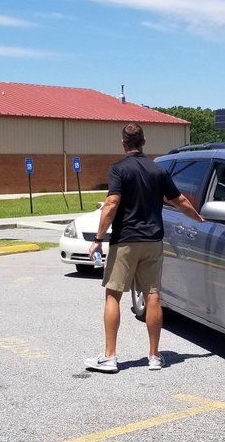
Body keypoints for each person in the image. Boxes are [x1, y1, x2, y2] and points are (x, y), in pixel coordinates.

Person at [84, 124, 203, 373]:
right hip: (153, 241)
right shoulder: (158, 170)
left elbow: (112, 202)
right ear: (144, 141)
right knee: (153, 296)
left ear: (123, 143)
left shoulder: (118, 169)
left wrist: (98, 237)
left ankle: (110, 357)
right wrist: (200, 220)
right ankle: (154, 356)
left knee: (113, 294)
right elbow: (179, 200)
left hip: (125, 241)